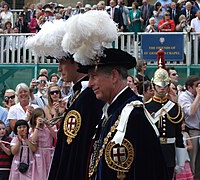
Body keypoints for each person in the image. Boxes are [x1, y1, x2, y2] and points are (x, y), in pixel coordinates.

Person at [59, 10, 169, 180]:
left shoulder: (134, 115)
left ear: (114, 76)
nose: (90, 83)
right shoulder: (111, 113)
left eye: (94, 76)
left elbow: (148, 171)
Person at [25, 18, 104, 180]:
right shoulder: (79, 94)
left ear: (76, 62)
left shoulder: (88, 97)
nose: (59, 68)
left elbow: (80, 147)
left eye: (62, 62)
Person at [145, 50, 185, 179]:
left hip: (169, 153)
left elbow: (178, 136)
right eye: (159, 85)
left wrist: (180, 161)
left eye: (164, 85)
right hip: (151, 153)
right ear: (153, 85)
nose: (162, 88)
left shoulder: (174, 108)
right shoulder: (146, 107)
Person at [178, 76, 200, 179]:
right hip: (192, 132)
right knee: (193, 160)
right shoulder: (184, 97)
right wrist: (198, 96)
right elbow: (191, 112)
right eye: (197, 86)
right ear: (189, 87)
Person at [30, 108, 56, 180]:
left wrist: (48, 125)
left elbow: (55, 136)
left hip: (49, 152)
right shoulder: (32, 129)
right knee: (40, 175)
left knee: (50, 173)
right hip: (39, 154)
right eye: (39, 118)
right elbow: (33, 141)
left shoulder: (49, 127)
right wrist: (37, 127)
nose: (41, 120)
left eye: (42, 117)